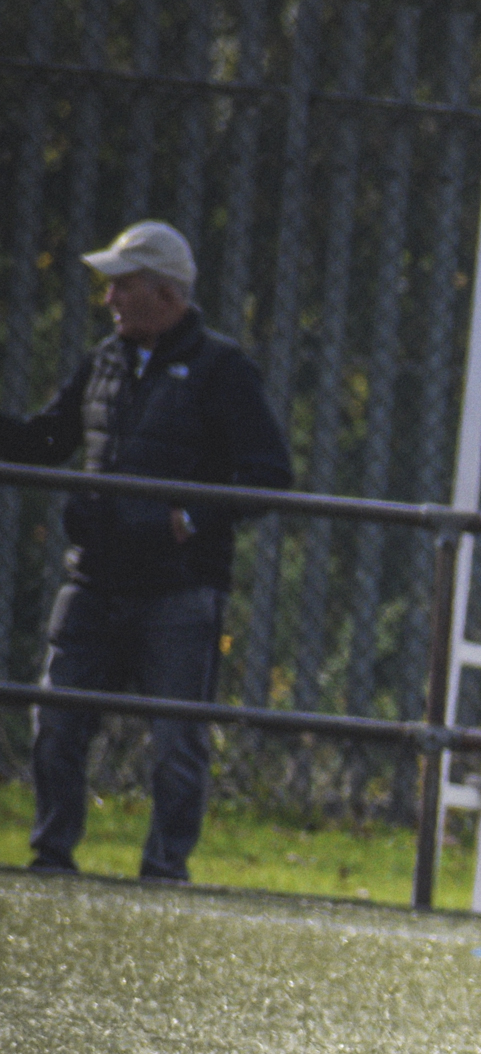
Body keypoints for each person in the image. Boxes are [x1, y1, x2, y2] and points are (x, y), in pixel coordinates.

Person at [2, 220, 290, 880]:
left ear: (164, 294)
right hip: (96, 576)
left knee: (176, 741)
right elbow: (49, 440)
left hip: (180, 586)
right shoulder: (102, 361)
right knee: (57, 719)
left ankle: (165, 870)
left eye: (121, 287)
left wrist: (194, 518)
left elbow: (270, 472)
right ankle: (52, 855)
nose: (108, 301)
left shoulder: (222, 369)